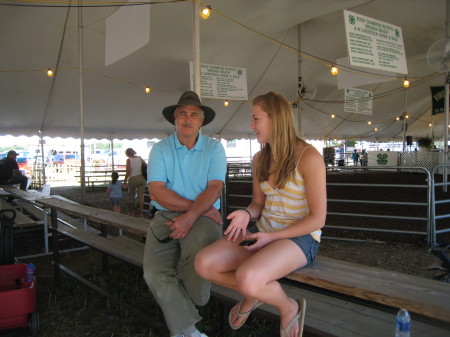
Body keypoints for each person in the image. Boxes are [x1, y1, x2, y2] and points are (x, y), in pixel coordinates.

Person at [194, 91, 327, 337]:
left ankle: (288, 306)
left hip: (301, 238)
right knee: (203, 264)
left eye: (256, 119)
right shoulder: (259, 159)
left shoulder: (309, 156)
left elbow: (318, 219)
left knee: (247, 277)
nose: (251, 125)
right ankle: (256, 292)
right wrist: (247, 213)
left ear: (275, 118)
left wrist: (273, 238)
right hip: (264, 232)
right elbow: (258, 204)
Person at [143, 91, 227, 337]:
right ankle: (188, 329)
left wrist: (191, 216)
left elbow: (215, 187)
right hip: (173, 214)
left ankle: (191, 304)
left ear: (202, 121)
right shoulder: (160, 149)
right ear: (174, 120)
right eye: (182, 114)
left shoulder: (214, 148)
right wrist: (196, 208)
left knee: (197, 265)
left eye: (193, 115)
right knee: (153, 272)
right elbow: (157, 192)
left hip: (203, 216)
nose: (187, 119)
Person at [123, 148, 147, 217]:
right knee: (141, 196)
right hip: (141, 178)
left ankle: (132, 212)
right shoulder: (139, 158)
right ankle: (141, 213)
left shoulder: (129, 160)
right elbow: (146, 165)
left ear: (127, 153)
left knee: (131, 196)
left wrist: (125, 180)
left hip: (133, 178)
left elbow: (128, 172)